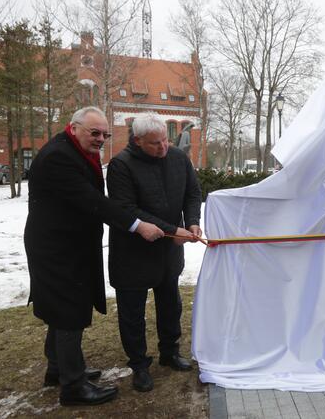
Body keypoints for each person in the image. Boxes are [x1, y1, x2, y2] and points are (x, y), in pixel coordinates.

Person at [24, 107, 165, 406]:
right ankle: (73, 387)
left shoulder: (72, 149)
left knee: (61, 308)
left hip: (67, 244)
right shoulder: (59, 158)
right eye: (94, 133)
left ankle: (58, 368)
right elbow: (92, 202)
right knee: (68, 313)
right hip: (56, 249)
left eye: (105, 134)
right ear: (73, 128)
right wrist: (137, 225)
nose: (101, 139)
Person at [107, 113, 202, 392]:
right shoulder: (121, 165)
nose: (163, 148)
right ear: (137, 141)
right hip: (132, 253)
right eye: (154, 143)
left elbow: (192, 193)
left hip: (168, 253)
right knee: (132, 312)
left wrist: (193, 221)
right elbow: (126, 209)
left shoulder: (178, 158)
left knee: (170, 303)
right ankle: (138, 364)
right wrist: (174, 229)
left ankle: (170, 352)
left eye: (165, 140)